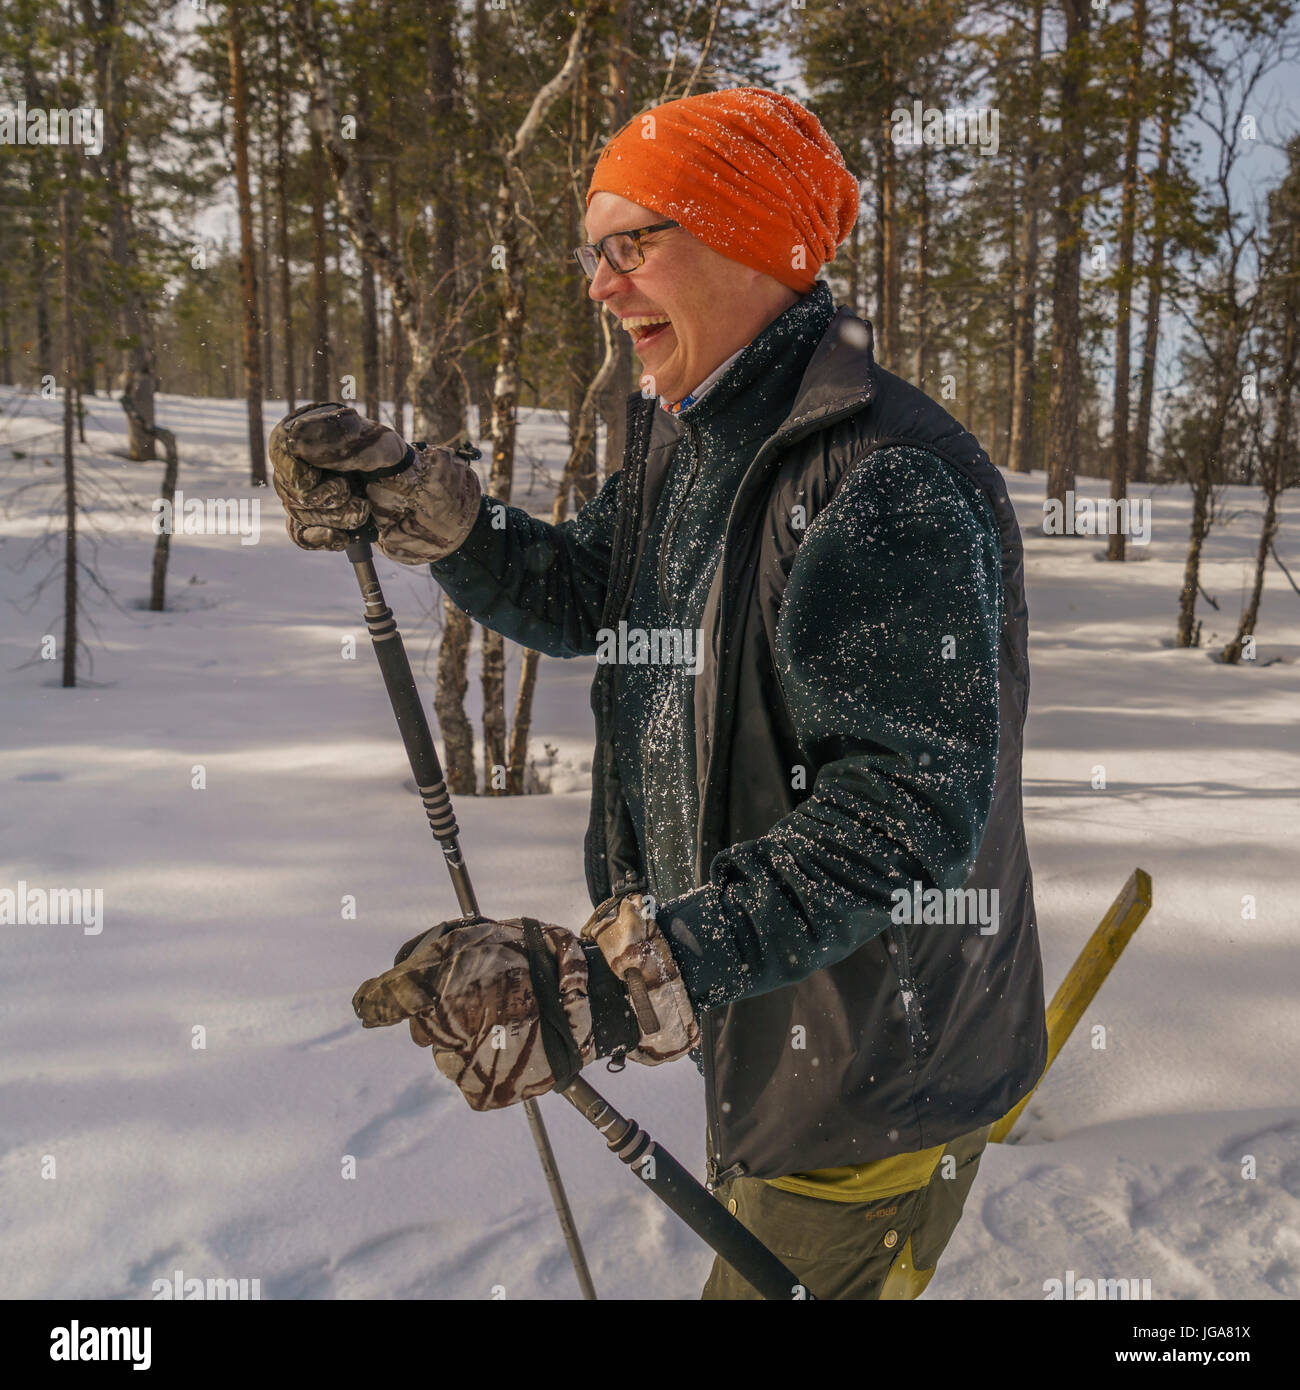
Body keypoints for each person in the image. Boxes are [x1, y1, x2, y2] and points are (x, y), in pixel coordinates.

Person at [269, 87, 1048, 1301]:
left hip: (870, 1074)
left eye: (637, 243)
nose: (600, 284)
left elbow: (899, 822)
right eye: (595, 251)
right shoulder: (694, 432)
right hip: (766, 1021)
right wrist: (440, 516)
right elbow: (593, 591)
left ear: (748, 242)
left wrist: (622, 982)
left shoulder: (881, 476)